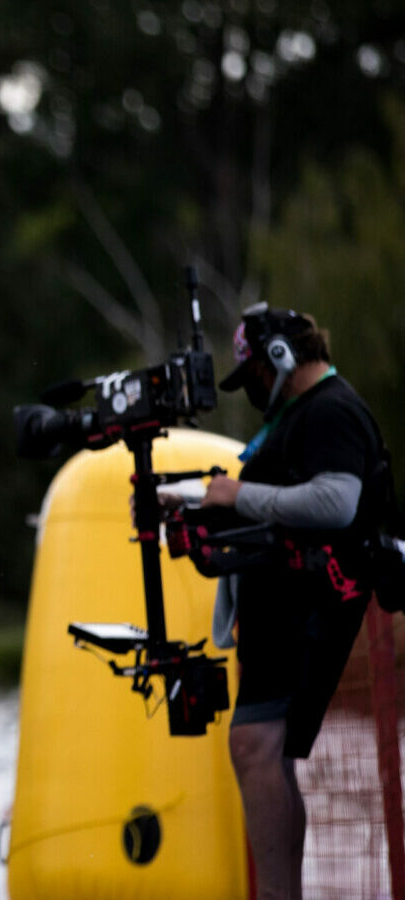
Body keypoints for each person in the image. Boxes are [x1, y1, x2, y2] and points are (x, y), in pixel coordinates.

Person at [196, 304, 389, 900]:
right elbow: (273, 502)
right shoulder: (299, 416)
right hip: (283, 607)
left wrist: (240, 493)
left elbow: (337, 503)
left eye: (251, 370)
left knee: (257, 745)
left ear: (280, 357)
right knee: (258, 748)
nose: (252, 384)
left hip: (315, 601)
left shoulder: (329, 409)